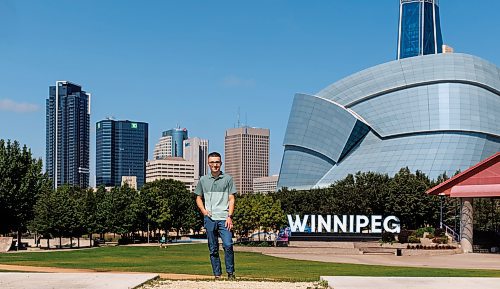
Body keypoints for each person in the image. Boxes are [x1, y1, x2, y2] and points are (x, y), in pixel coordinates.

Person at [194, 151, 236, 280]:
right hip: (210, 219)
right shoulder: (203, 180)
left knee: (228, 245)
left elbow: (232, 199)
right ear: (208, 164)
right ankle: (217, 274)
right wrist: (204, 211)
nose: (215, 165)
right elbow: (198, 198)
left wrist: (230, 216)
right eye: (212, 162)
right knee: (213, 249)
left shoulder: (228, 179)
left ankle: (230, 273)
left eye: (217, 162)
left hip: (224, 218)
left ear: (221, 163)